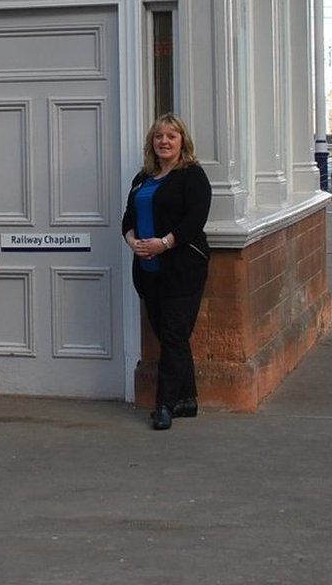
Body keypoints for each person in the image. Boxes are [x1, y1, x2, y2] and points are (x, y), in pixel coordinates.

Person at [122, 113, 212, 431]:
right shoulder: (142, 178)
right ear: (152, 142)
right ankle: (187, 399)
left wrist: (163, 243)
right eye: (159, 136)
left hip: (182, 268)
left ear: (182, 141)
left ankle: (164, 406)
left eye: (171, 136)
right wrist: (133, 242)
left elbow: (194, 220)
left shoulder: (192, 176)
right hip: (148, 269)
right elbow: (128, 218)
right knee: (169, 334)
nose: (164, 141)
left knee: (173, 335)